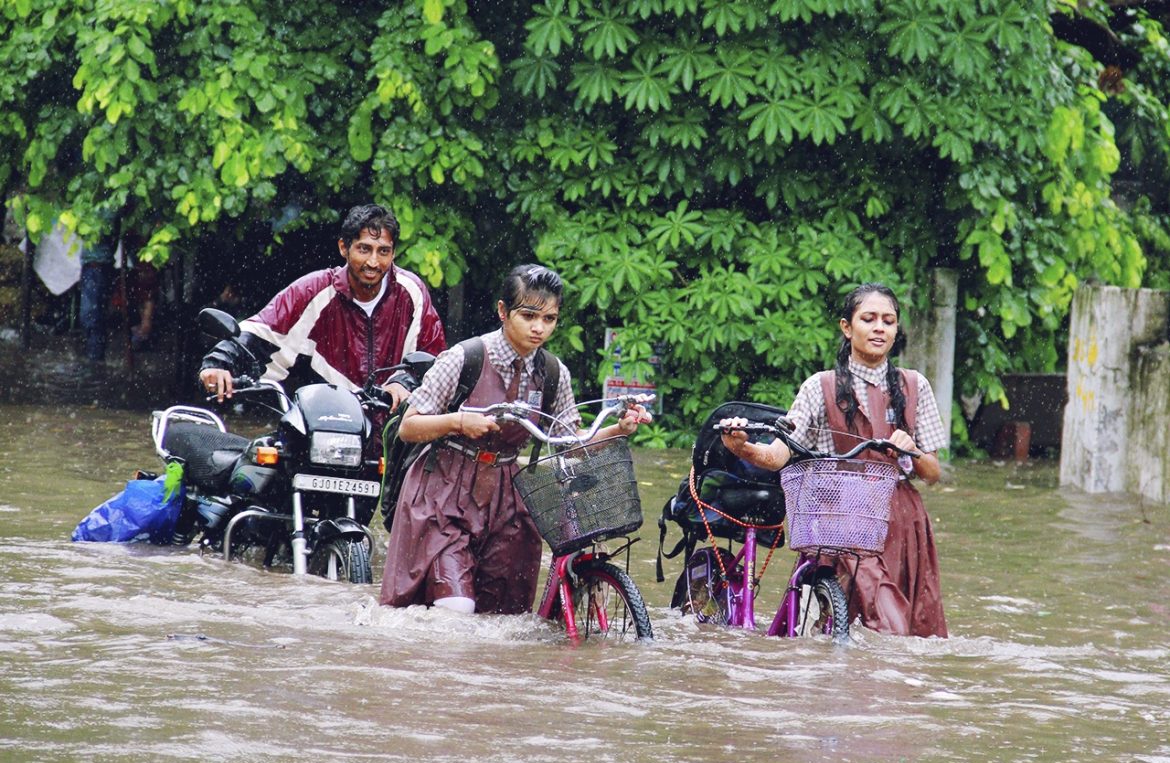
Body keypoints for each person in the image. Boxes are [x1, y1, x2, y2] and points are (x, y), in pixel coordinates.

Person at [379, 264, 652, 616]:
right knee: (456, 607)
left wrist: (619, 430)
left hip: (509, 497)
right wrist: (460, 422)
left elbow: (569, 442)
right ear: (503, 312)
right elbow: (409, 427)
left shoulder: (554, 373)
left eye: (550, 319)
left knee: (504, 618)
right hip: (443, 492)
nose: (539, 328)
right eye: (528, 316)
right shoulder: (464, 358)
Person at [719, 283, 948, 638]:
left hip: (903, 525)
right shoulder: (818, 387)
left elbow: (932, 473)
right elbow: (780, 454)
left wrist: (913, 451)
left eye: (888, 321)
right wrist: (743, 448)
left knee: (908, 639)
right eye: (868, 319)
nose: (879, 328)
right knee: (867, 631)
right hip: (839, 520)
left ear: (896, 329)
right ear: (847, 327)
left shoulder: (915, 386)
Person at [197, 203, 446, 411]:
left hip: (395, 433)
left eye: (383, 251)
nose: (373, 261)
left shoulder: (411, 292)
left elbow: (435, 360)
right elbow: (260, 333)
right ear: (343, 248)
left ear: (393, 254)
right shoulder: (314, 290)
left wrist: (403, 382)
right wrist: (218, 364)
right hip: (326, 423)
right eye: (364, 249)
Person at [78, 210, 121, 361]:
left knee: (91, 315)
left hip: (98, 266)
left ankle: (95, 356)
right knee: (93, 314)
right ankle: (94, 354)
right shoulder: (94, 206)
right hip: (92, 265)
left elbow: (103, 230)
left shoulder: (106, 210)